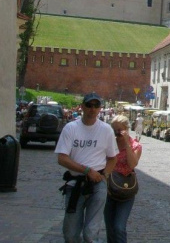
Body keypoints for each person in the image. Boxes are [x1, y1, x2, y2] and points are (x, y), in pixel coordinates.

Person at [55, 92, 118, 243]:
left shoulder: (106, 130)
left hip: (98, 184)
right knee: (70, 234)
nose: (92, 109)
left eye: (96, 106)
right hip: (75, 183)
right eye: (89, 105)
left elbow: (113, 157)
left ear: (100, 108)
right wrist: (86, 170)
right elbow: (62, 158)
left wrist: (105, 176)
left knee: (90, 234)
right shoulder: (71, 128)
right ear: (82, 107)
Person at [104, 115, 142, 243]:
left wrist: (126, 143)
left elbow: (132, 164)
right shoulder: (108, 143)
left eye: (119, 130)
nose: (116, 133)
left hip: (125, 190)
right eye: (113, 130)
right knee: (110, 228)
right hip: (108, 189)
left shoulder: (135, 145)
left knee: (119, 227)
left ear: (126, 129)